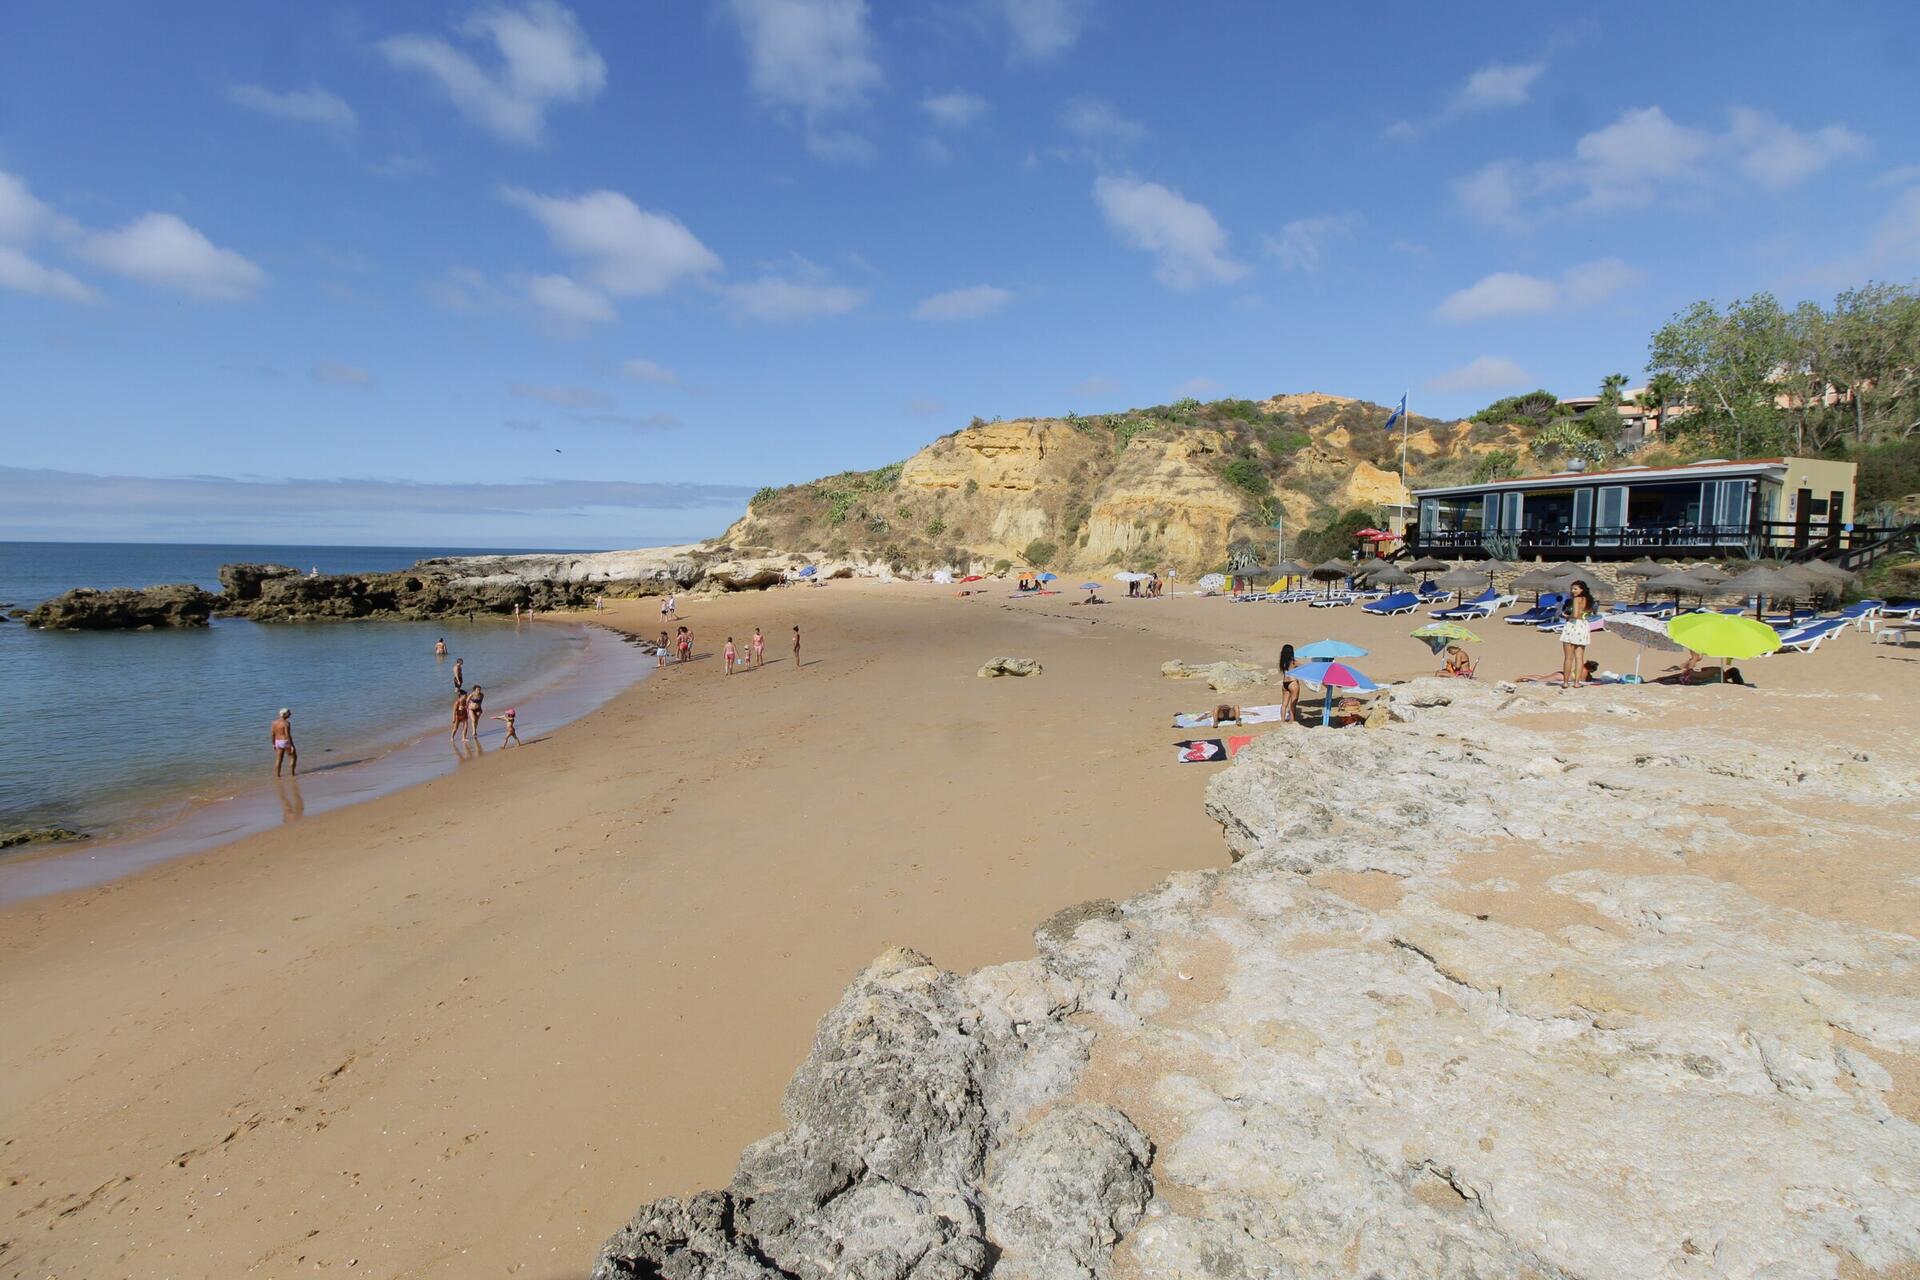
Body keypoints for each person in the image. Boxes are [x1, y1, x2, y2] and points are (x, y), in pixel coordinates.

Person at [1558, 579, 1596, 690]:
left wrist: (1565, 616)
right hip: (1583, 626)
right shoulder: (1588, 600)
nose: (1573, 591)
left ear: (1581, 589)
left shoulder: (1577, 599)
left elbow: (1575, 615)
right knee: (1579, 658)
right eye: (1572, 589)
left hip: (1573, 626)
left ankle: (1566, 682)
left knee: (1568, 658)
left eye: (1575, 589)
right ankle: (1577, 683)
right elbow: (1586, 614)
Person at [1278, 643, 1301, 724]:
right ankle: (1291, 720)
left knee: (1284, 704)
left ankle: (1282, 720)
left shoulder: (1282, 662)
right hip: (1293, 682)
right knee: (1293, 703)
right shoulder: (1294, 662)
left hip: (1285, 683)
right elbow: (1303, 667)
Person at [271, 707, 297, 776]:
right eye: (289, 713)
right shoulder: (286, 723)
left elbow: (272, 734)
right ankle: (292, 774)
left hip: (277, 741)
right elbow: (287, 735)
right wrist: (291, 745)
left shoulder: (274, 723)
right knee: (293, 757)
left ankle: (278, 775)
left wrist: (273, 744)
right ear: (284, 714)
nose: (290, 714)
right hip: (285, 741)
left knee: (279, 759)